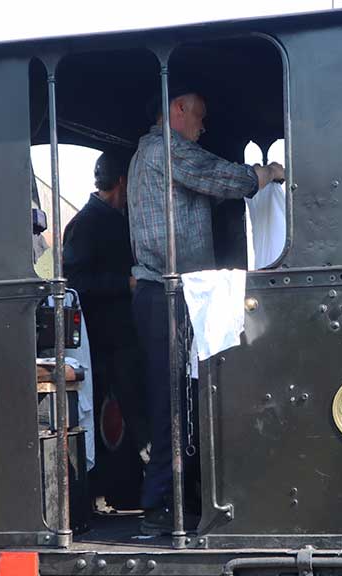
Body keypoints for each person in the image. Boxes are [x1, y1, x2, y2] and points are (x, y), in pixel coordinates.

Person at [128, 86, 283, 535]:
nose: (203, 126)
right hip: (169, 295)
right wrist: (268, 173)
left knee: (180, 398)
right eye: (199, 116)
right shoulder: (168, 151)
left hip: (170, 294)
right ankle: (160, 507)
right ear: (177, 109)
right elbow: (226, 179)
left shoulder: (151, 157)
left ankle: (179, 497)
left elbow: (202, 194)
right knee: (172, 402)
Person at [63, 151, 146, 511]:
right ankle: (113, 490)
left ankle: (126, 491)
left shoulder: (114, 219)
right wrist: (123, 284)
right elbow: (76, 282)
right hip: (102, 341)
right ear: (122, 182)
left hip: (122, 337)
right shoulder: (85, 224)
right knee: (109, 415)